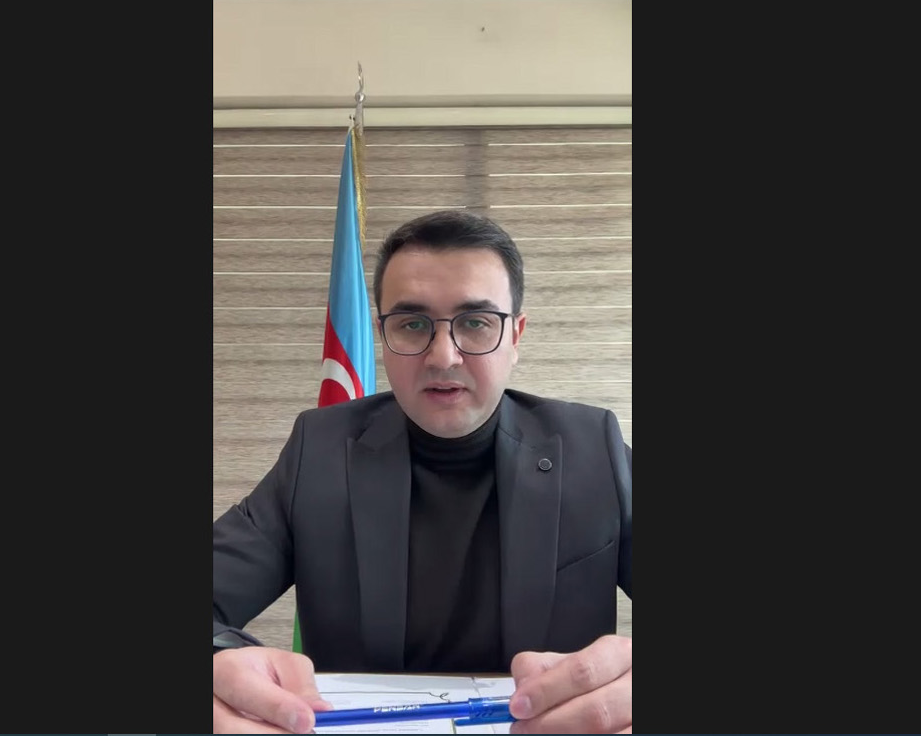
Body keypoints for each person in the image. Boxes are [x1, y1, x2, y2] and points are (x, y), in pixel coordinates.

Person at [213, 210, 633, 734]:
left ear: (515, 336)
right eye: (412, 324)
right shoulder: (320, 451)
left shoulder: (592, 447)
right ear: (382, 334)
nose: (443, 357)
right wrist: (219, 661)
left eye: (476, 323)